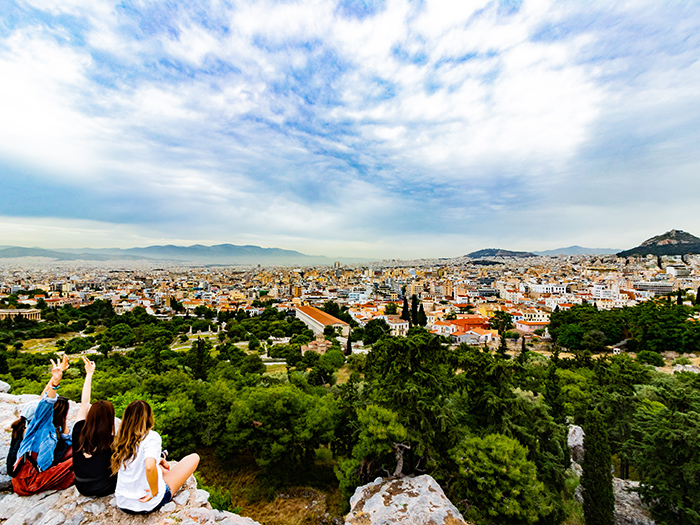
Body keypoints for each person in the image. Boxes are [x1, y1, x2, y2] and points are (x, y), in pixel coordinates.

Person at [111, 400, 199, 514]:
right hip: (147, 503)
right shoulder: (151, 437)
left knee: (161, 470)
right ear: (148, 418)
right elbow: (149, 466)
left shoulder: (122, 438)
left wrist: (158, 460)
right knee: (194, 457)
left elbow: (138, 461)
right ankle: (160, 486)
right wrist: (154, 492)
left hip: (123, 503)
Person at [12, 355, 75, 495]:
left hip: (36, 475)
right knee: (79, 459)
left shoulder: (52, 426)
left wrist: (63, 421)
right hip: (29, 481)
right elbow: (46, 401)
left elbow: (68, 439)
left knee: (75, 448)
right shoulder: (40, 424)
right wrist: (55, 382)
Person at [72, 356, 118, 496]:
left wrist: (89, 374)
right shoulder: (110, 439)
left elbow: (85, 402)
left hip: (81, 486)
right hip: (104, 486)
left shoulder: (78, 429)